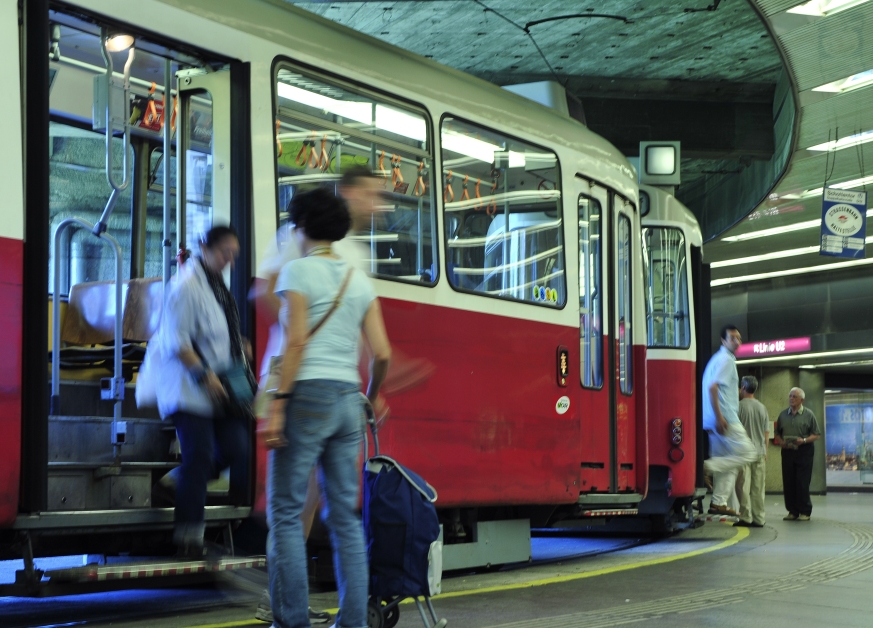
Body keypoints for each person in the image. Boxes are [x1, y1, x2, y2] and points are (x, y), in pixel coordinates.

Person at [249, 168, 381, 624]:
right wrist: (371, 396)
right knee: (344, 518)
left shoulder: (296, 270)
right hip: (349, 400)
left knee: (285, 515)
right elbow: (380, 354)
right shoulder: (359, 279)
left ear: (301, 228)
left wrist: (279, 405)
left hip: (305, 396)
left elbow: (297, 342)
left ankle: (292, 621)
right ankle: (353, 621)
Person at [142, 225, 250, 557]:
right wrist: (205, 375)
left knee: (238, 450)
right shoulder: (186, 285)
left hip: (222, 386)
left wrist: (240, 347)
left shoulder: (218, 287)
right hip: (189, 386)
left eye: (233, 254)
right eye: (223, 253)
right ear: (204, 247)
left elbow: (220, 334)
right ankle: (189, 539)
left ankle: (177, 480)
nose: (228, 260)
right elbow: (177, 341)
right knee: (200, 457)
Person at [701, 325, 757, 516]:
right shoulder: (726, 360)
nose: (737, 341)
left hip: (712, 421)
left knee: (728, 463)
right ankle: (706, 467)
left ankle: (718, 502)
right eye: (732, 338)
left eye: (739, 338)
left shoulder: (716, 359)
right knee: (750, 454)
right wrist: (720, 417)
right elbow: (713, 388)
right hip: (725, 419)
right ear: (723, 341)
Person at [774, 387, 821, 521]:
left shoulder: (809, 414)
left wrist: (804, 440)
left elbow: (816, 434)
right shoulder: (783, 415)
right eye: (790, 396)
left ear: (802, 400)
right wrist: (781, 441)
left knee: (802, 482)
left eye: (794, 396)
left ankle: (805, 511)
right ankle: (792, 511)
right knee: (789, 481)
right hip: (788, 451)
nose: (791, 399)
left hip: (804, 451)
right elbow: (777, 432)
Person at [734, 375, 769, 528]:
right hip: (759, 452)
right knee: (758, 487)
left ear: (742, 388)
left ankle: (746, 517)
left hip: (743, 453)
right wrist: (765, 450)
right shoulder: (762, 407)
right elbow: (766, 432)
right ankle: (759, 518)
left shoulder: (738, 407)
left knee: (742, 486)